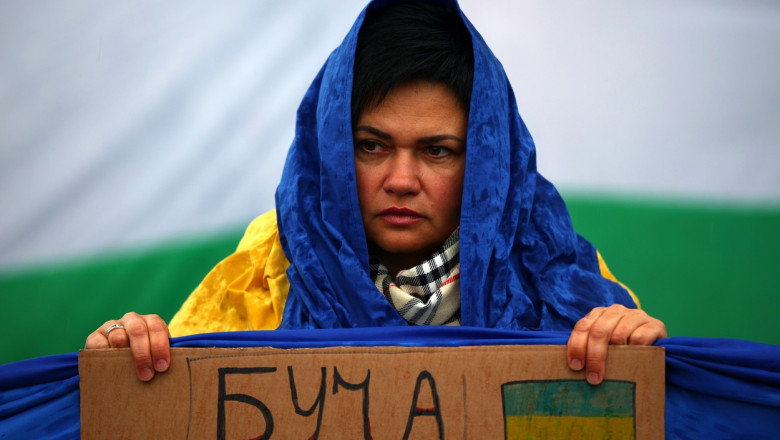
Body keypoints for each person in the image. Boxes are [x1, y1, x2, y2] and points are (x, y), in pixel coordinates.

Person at [85, 0, 665, 386]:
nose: (402, 179)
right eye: (371, 146)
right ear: (333, 152)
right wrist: (131, 361)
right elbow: (184, 403)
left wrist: (637, 354)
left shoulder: (562, 277)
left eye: (437, 151)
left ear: (486, 163)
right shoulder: (268, 269)